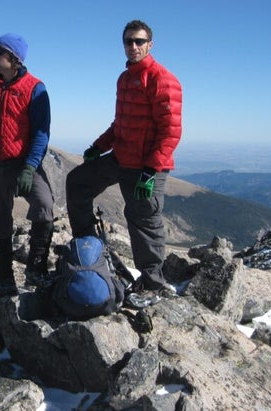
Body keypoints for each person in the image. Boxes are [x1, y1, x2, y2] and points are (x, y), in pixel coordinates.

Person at [65, 20, 182, 306]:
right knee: (77, 182)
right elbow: (121, 124)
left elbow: (171, 131)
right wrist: (99, 146)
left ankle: (153, 283)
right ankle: (89, 246)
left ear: (150, 44)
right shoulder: (125, 78)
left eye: (139, 41)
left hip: (146, 166)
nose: (133, 46)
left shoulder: (162, 79)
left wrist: (151, 170)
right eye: (128, 41)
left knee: (143, 218)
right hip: (122, 157)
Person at [0, 33, 55, 300]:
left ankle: (36, 269)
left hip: (23, 163)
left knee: (44, 205)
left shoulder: (35, 88)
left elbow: (41, 133)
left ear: (12, 58)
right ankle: (4, 280)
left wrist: (29, 167)